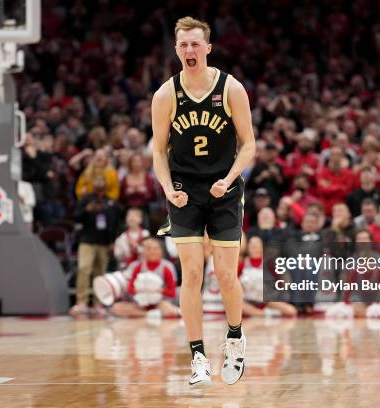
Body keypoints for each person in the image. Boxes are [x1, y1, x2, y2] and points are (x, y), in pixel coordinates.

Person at [152, 16, 255, 386]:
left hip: (223, 189)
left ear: (208, 48)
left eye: (196, 44)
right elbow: (159, 152)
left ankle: (234, 336)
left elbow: (249, 144)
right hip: (184, 191)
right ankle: (198, 355)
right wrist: (166, 187)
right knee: (192, 273)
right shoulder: (165, 95)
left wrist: (228, 179)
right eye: (184, 45)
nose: (190, 50)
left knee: (226, 275)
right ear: (176, 49)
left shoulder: (231, 89)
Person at [70, 178, 121, 316]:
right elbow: (75, 217)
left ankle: (99, 303)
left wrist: (112, 241)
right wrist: (86, 210)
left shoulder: (110, 203)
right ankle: (82, 302)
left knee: (100, 273)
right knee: (84, 269)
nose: (99, 186)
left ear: (105, 186)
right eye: (97, 184)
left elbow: (114, 224)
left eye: (102, 184)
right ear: (93, 185)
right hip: (87, 240)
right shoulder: (86, 200)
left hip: (104, 242)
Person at [110, 238, 180, 318]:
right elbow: (129, 289)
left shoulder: (167, 267)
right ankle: (150, 314)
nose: (152, 252)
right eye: (148, 249)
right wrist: (141, 290)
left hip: (160, 303)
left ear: (161, 251)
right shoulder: (137, 266)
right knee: (116, 308)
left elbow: (172, 292)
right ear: (143, 251)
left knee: (169, 310)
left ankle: (145, 313)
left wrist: (157, 290)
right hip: (140, 303)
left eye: (155, 249)